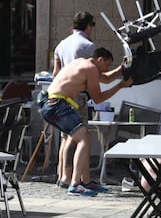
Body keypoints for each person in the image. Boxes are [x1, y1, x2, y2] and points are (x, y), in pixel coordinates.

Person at [38, 47, 133, 196]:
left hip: (47, 103)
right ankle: (75, 184)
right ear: (100, 59)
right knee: (83, 139)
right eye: (107, 65)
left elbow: (106, 78)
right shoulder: (91, 69)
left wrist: (121, 69)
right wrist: (121, 85)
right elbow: (98, 98)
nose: (107, 68)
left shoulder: (81, 63)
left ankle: (85, 182)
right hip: (57, 104)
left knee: (81, 137)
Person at [52, 11, 96, 189]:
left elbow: (55, 73)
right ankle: (72, 179)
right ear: (88, 26)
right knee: (80, 138)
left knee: (65, 138)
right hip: (77, 96)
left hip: (60, 97)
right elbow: (92, 73)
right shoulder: (88, 46)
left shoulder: (61, 45)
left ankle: (64, 175)